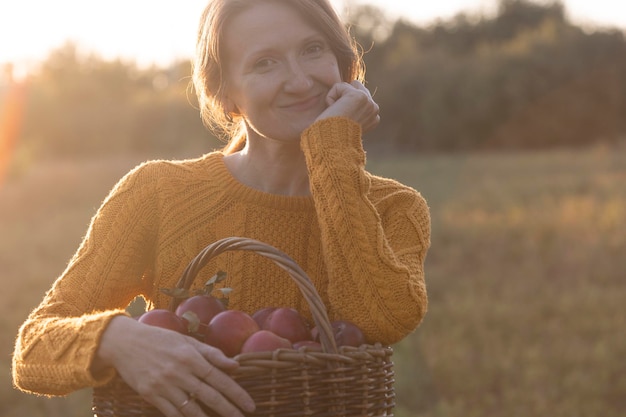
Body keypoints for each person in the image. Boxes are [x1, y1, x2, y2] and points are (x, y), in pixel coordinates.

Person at [12, 0, 431, 416]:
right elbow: (33, 350)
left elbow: (379, 320)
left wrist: (333, 146)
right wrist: (115, 339)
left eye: (313, 49)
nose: (301, 82)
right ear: (224, 94)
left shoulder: (394, 207)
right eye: (266, 62)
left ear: (344, 66)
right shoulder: (159, 192)